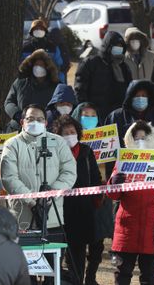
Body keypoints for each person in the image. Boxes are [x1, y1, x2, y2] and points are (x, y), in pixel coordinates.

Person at [1, 104, 77, 231]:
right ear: (22, 122)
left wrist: (51, 194)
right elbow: (8, 178)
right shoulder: (12, 144)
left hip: (53, 217)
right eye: (30, 119)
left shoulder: (58, 142)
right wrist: (31, 202)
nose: (35, 122)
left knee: (54, 250)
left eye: (40, 119)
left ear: (46, 122)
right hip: (21, 218)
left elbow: (69, 172)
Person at [52, 115, 104, 285]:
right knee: (58, 254)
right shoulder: (55, 152)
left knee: (78, 254)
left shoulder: (86, 152)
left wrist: (97, 198)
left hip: (83, 211)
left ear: (78, 133)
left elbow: (95, 177)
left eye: (72, 132)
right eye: (65, 132)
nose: (69, 135)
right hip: (60, 210)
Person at [107, 120, 154, 285]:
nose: (140, 141)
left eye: (144, 138)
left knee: (150, 275)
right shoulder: (123, 162)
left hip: (151, 227)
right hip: (127, 226)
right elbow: (113, 196)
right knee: (122, 274)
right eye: (136, 138)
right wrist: (114, 182)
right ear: (130, 139)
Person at [75, 31, 132, 118]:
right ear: (108, 46)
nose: (118, 48)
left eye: (121, 47)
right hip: (94, 114)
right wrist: (85, 110)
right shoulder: (91, 63)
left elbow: (129, 90)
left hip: (117, 114)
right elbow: (80, 89)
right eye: (116, 46)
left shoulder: (123, 67)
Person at [5, 49, 60, 132]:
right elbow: (8, 102)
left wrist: (49, 118)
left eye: (42, 65)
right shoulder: (20, 82)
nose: (38, 68)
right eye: (36, 65)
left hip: (45, 129)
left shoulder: (56, 86)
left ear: (48, 67)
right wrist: (17, 115)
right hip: (18, 127)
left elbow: (60, 106)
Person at [105, 80, 154, 148]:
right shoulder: (115, 117)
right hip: (124, 157)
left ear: (149, 97)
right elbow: (107, 144)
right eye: (137, 96)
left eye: (144, 96)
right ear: (130, 98)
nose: (140, 98)